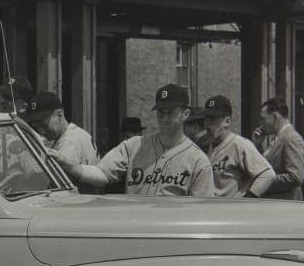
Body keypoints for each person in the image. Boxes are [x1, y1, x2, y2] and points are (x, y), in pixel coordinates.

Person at [53, 83, 215, 197]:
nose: (164, 118)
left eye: (170, 112)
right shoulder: (134, 145)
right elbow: (102, 174)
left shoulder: (198, 161)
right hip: (136, 230)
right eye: (160, 112)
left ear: (185, 114)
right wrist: (69, 165)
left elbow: (201, 212)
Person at [200, 95, 276, 198]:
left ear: (227, 121)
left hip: (231, 210)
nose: (207, 123)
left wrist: (247, 199)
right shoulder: (207, 145)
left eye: (213, 118)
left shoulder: (240, 144)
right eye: (206, 118)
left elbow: (267, 174)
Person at [26, 91, 98, 191]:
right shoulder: (77, 133)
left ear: (60, 114)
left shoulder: (69, 142)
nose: (41, 131)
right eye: (37, 127)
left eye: (44, 125)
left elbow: (51, 184)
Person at [251, 97, 304, 200]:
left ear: (275, 117)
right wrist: (257, 145)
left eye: (263, 119)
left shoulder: (292, 139)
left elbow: (295, 177)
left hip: (285, 206)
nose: (261, 124)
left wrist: (263, 182)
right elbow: (266, 167)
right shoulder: (278, 138)